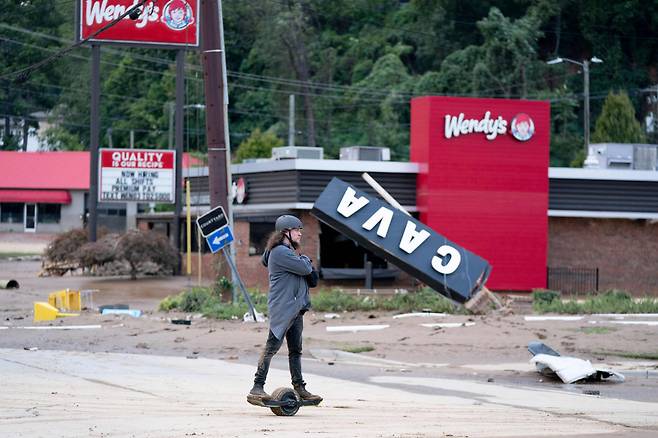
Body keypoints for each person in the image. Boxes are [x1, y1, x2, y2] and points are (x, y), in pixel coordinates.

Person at [247, 215, 323, 404]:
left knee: (296, 350)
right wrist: (306, 259)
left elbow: (306, 273)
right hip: (283, 309)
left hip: (295, 309)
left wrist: (303, 261)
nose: (300, 234)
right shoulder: (281, 252)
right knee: (271, 347)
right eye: (297, 230)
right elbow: (306, 269)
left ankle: (300, 388)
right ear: (285, 232)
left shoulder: (288, 252)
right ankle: (257, 387)